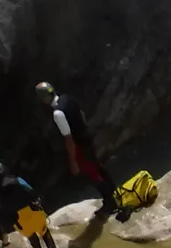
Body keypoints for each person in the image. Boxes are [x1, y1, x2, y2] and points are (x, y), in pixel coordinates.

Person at [35, 81, 124, 219]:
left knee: (92, 172)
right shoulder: (67, 98)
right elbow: (81, 114)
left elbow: (68, 139)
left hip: (79, 144)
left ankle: (110, 203)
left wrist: (73, 162)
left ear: (44, 99)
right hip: (87, 136)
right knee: (97, 165)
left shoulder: (58, 114)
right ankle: (115, 192)